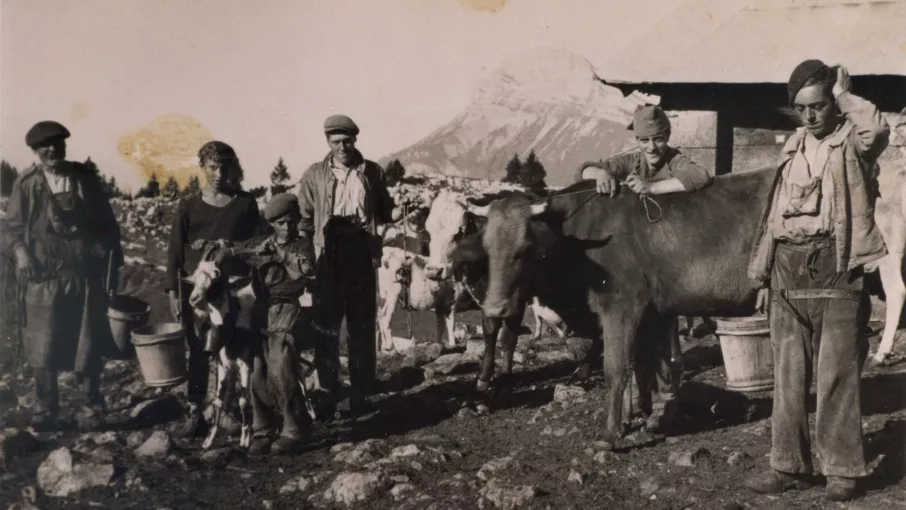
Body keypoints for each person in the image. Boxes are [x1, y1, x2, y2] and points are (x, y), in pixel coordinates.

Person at [744, 62, 889, 502]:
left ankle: (842, 470)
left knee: (836, 372)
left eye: (819, 105)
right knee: (787, 375)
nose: (809, 115)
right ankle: (788, 465)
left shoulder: (852, 142)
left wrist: (844, 94)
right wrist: (765, 274)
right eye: (801, 108)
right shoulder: (793, 146)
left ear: (833, 103)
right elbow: (775, 214)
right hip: (788, 268)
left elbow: (876, 129)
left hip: (836, 264)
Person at [577, 104, 714, 435]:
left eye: (658, 139)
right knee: (635, 336)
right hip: (638, 264)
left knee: (665, 335)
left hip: (670, 261)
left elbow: (701, 176)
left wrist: (654, 188)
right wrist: (602, 175)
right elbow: (585, 169)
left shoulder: (675, 161)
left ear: (667, 136)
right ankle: (638, 403)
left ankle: (666, 401)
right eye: (644, 140)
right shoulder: (632, 161)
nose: (651, 147)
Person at [4, 121, 124, 431]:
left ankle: (92, 407)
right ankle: (46, 410)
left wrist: (106, 252)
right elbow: (12, 228)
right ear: (35, 150)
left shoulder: (84, 179)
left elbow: (107, 224)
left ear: (64, 146)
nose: (52, 149)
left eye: (57, 144)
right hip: (43, 279)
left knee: (88, 343)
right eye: (45, 146)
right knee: (43, 346)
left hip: (84, 276)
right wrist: (21, 253)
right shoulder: (27, 183)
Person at [297, 114, 398, 417]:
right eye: (336, 142)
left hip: (361, 253)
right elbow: (304, 221)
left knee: (361, 327)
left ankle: (361, 394)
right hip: (327, 257)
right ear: (328, 142)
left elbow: (385, 211)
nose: (342, 147)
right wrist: (306, 259)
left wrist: (399, 212)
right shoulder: (314, 174)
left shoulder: (372, 172)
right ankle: (328, 393)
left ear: (355, 140)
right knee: (326, 328)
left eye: (347, 141)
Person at [166, 140, 265, 438]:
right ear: (202, 167)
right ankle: (195, 410)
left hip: (236, 290)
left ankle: (230, 410)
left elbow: (259, 242)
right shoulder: (188, 206)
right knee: (199, 348)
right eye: (212, 167)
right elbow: (175, 251)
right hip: (200, 292)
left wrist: (234, 249)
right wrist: (173, 291)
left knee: (234, 348)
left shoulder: (245, 203)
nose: (219, 174)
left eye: (224, 167)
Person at [206, 193, 316, 455]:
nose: (287, 227)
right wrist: (221, 252)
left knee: (280, 366)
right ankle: (263, 427)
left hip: (288, 309)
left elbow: (306, 270)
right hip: (262, 311)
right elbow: (237, 250)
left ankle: (295, 428)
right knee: (256, 370)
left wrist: (280, 254)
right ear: (272, 224)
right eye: (280, 223)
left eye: (291, 221)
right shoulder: (262, 243)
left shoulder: (302, 245)